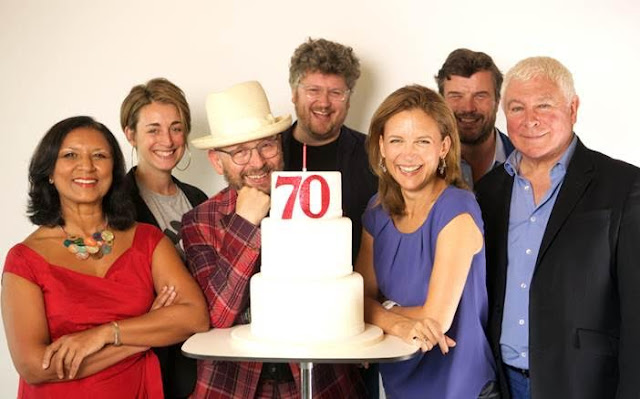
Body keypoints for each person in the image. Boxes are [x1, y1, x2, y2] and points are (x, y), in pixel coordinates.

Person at [1, 116, 209, 399]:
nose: (86, 166)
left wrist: (103, 334)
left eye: (99, 155)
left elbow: (195, 317)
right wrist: (144, 335)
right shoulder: (24, 259)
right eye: (70, 155)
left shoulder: (147, 240)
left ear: (114, 169)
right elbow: (35, 366)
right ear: (49, 171)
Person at [182, 81, 365, 398]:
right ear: (216, 161)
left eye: (266, 145)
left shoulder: (313, 202)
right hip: (236, 385)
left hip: (316, 381)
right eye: (239, 152)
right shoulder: (200, 221)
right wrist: (245, 223)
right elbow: (217, 315)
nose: (257, 162)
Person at [475, 57, 640, 399]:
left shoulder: (624, 185)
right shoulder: (488, 191)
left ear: (573, 108)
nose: (530, 119)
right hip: (502, 382)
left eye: (544, 105)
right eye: (517, 108)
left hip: (586, 383)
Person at [356, 85, 498, 399]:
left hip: (461, 389)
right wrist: (401, 322)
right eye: (396, 141)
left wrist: (383, 311)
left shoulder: (457, 207)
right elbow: (355, 300)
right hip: (399, 385)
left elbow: (436, 320)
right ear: (381, 146)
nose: (408, 155)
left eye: (422, 141)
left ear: (444, 146)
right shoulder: (376, 210)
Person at [284, 38, 379, 397]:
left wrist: (370, 319)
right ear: (294, 94)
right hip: (283, 327)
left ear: (350, 99)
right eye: (313, 90)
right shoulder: (267, 154)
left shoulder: (374, 156)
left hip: (353, 326)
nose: (324, 103)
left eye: (336, 92)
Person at [121, 77, 208, 399]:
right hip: (151, 360)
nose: (167, 140)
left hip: (201, 356)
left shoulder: (199, 198)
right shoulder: (116, 204)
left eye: (176, 127)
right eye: (153, 129)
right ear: (130, 134)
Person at [436, 48, 514, 188]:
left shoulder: (526, 161)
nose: (468, 108)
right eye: (456, 96)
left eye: (480, 96)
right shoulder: (422, 164)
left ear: (497, 101)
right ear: (441, 102)